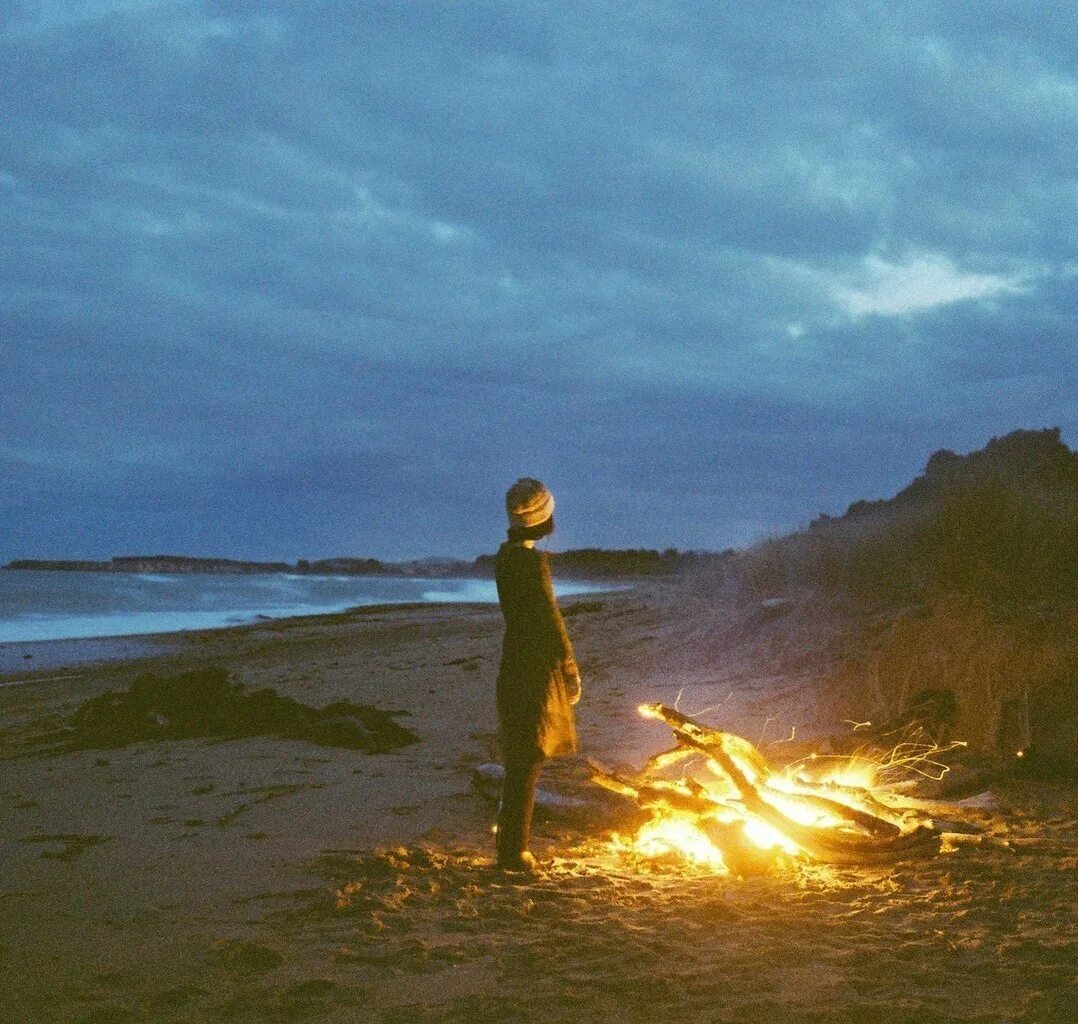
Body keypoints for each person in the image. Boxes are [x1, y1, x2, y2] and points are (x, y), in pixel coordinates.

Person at [493, 477, 581, 871]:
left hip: (514, 660)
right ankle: (514, 852)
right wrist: (569, 668)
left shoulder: (505, 556)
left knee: (520, 754)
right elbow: (550, 617)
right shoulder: (531, 562)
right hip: (534, 664)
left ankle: (512, 846)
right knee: (528, 757)